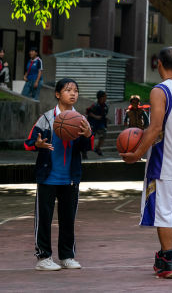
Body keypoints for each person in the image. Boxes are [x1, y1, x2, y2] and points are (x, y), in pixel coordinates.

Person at [122, 47, 172, 279]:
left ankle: (168, 260)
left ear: (158, 65)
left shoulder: (160, 90)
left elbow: (155, 128)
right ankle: (165, 256)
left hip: (166, 160)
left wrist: (136, 154)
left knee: (164, 213)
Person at [25, 78, 93, 271]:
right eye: (68, 90)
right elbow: (28, 142)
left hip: (70, 178)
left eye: (75, 90)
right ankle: (44, 257)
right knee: (44, 219)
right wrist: (36, 145)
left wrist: (88, 135)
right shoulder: (46, 118)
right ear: (57, 94)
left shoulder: (81, 120)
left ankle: (67, 256)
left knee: (68, 219)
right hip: (47, 177)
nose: (73, 93)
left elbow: (88, 147)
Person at [85, 90, 109, 156]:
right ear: (100, 97)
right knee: (89, 138)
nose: (106, 98)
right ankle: (84, 151)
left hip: (100, 124)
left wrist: (105, 119)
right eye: (104, 96)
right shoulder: (95, 105)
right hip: (93, 123)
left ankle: (97, 148)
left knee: (103, 134)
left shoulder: (105, 106)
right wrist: (95, 116)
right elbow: (88, 112)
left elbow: (103, 115)